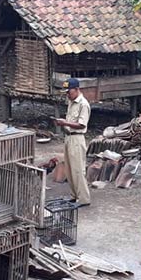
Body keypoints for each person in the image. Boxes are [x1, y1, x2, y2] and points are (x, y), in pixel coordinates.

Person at [54, 78, 91, 207]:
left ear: (76, 89)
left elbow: (81, 124)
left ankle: (84, 199)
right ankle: (74, 195)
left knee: (78, 170)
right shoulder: (71, 102)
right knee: (69, 169)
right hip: (69, 137)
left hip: (77, 138)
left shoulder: (83, 104)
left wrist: (64, 123)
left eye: (69, 92)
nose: (67, 94)